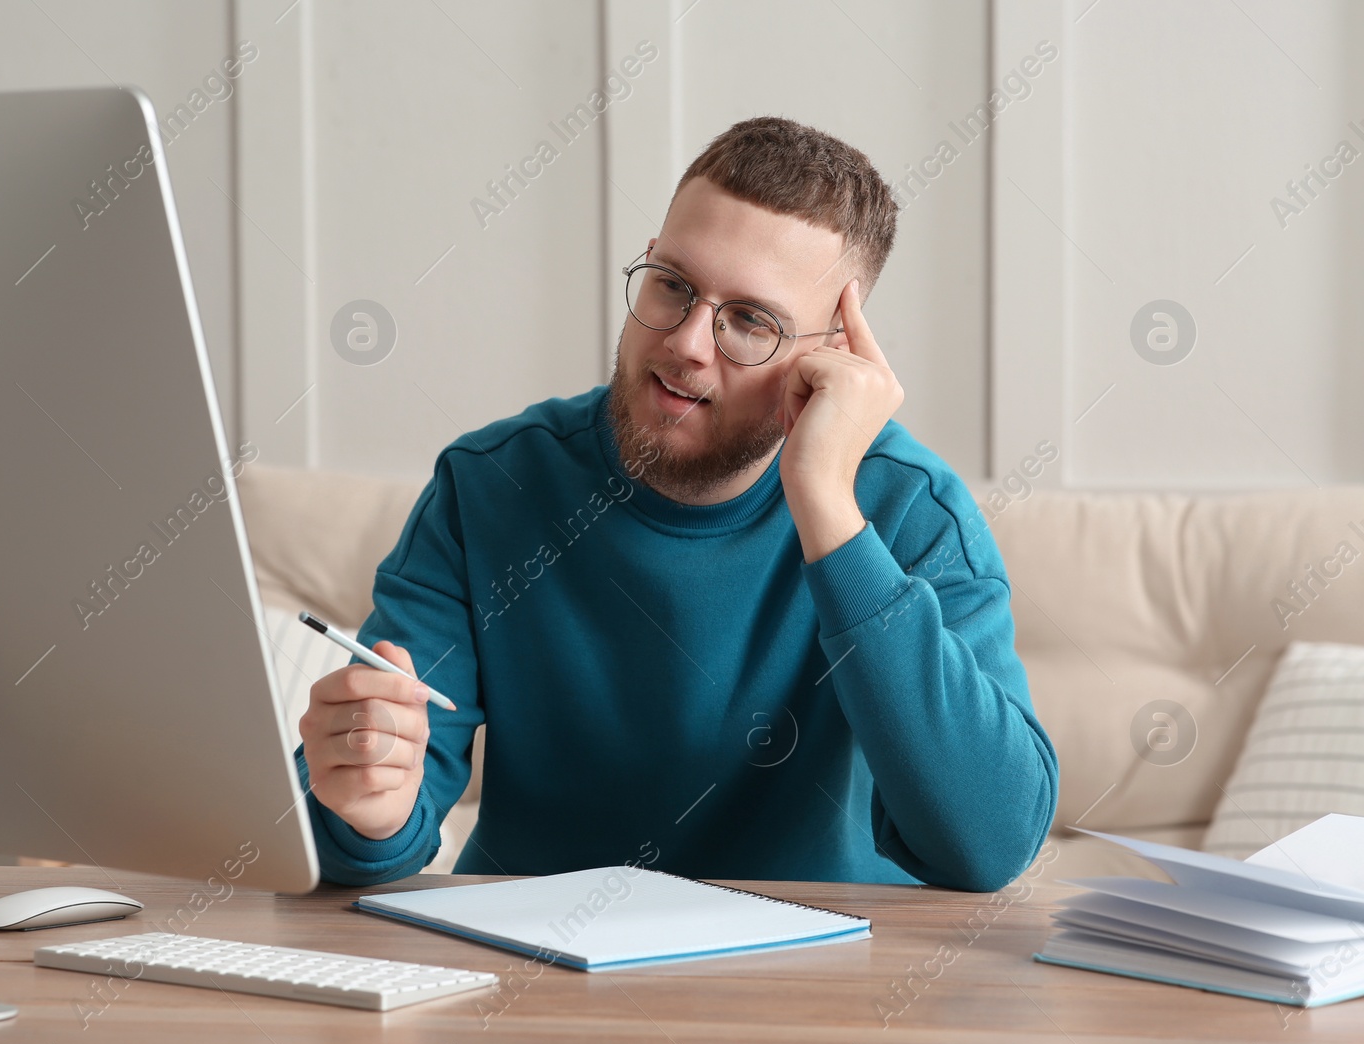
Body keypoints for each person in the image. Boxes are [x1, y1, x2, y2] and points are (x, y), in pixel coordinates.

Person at [296, 116, 1058, 892]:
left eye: (750, 321)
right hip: (533, 979)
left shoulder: (908, 510)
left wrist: (827, 506)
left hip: (822, 987)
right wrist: (370, 808)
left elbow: (989, 844)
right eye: (674, 286)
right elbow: (367, 815)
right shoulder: (491, 484)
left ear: (831, 355)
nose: (689, 342)